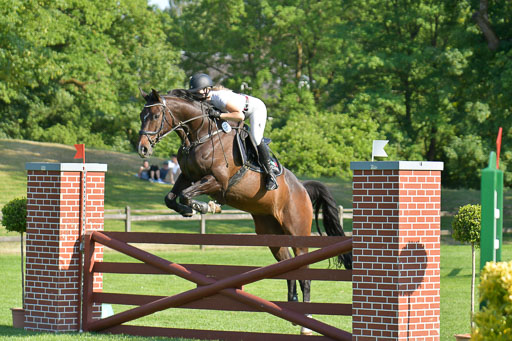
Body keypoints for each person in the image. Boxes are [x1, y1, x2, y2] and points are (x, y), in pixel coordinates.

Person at [188, 73, 278, 190]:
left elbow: (239, 115)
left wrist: (219, 115)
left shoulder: (219, 98)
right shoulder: (206, 99)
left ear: (206, 90)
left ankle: (271, 172)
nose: (195, 95)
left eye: (197, 92)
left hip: (254, 109)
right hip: (237, 111)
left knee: (256, 138)